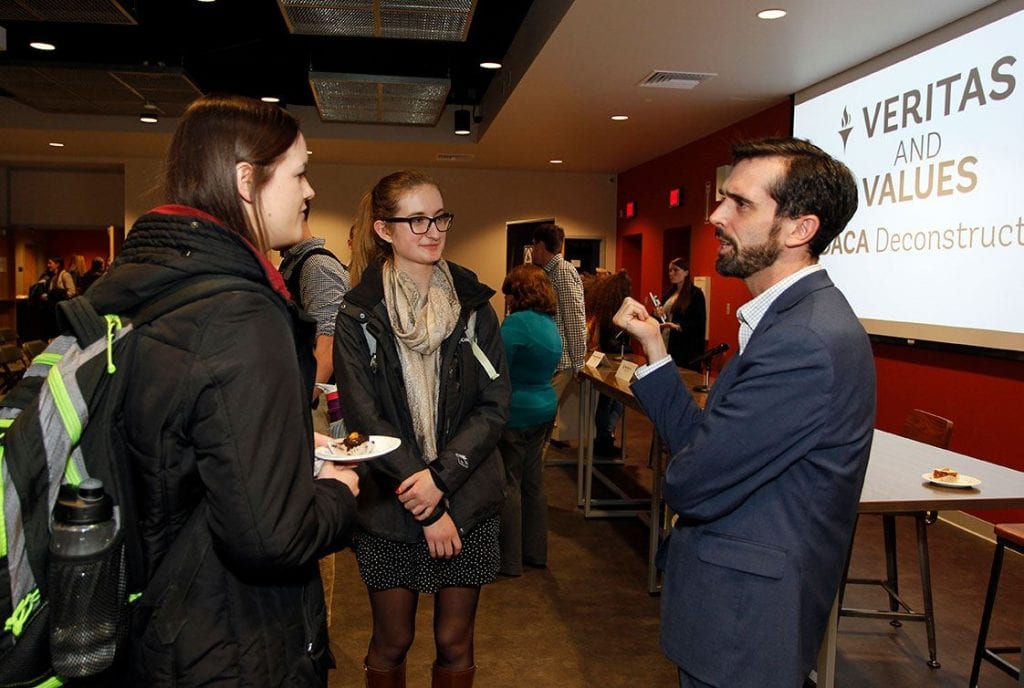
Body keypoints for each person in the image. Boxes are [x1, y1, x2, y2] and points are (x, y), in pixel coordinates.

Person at [84, 94, 360, 686]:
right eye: (299, 172)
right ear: (245, 181)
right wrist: (341, 492)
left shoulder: (141, 284)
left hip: (150, 617)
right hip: (231, 641)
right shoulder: (240, 314)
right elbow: (270, 537)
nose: (310, 191)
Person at [613, 137, 876, 688]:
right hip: (738, 613)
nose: (715, 215)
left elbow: (689, 480)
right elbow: (707, 448)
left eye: (740, 203)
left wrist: (693, 467)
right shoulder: (786, 321)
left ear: (799, 229)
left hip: (747, 622)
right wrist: (655, 351)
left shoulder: (802, 339)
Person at [335, 170, 510, 688]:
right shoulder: (358, 315)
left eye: (439, 217)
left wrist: (443, 482)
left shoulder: (474, 307)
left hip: (468, 496)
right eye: (416, 220)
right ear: (385, 230)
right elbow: (367, 420)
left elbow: (494, 404)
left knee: (456, 643)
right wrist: (425, 500)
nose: (433, 230)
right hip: (390, 503)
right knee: (393, 640)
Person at [497, 263, 562, 576]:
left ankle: (509, 561)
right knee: (534, 483)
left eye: (509, 292)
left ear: (519, 293)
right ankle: (536, 553)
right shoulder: (550, 323)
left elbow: (498, 370)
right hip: (544, 408)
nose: (506, 298)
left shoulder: (515, 325)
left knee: (509, 483)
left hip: (515, 413)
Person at [279, 202, 351, 385]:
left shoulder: (317, 266)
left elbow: (327, 347)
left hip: (319, 399)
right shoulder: (292, 263)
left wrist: (301, 403)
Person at [530, 223, 585, 402]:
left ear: (540, 246)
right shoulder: (548, 272)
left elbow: (574, 319)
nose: (532, 251)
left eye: (533, 246)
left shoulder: (563, 271)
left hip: (561, 363)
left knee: (545, 414)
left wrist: (578, 363)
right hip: (551, 361)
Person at [586, 269, 632, 456]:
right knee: (616, 402)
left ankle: (604, 437)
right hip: (616, 361)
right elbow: (616, 342)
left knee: (607, 401)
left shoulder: (606, 307)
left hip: (606, 360)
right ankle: (606, 436)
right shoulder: (619, 309)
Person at [657, 258, 707, 370]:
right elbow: (663, 318)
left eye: (676, 270)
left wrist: (679, 326)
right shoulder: (669, 293)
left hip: (684, 347)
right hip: (666, 341)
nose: (671, 274)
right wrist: (657, 314)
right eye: (670, 270)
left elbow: (699, 322)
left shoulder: (695, 294)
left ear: (686, 272)